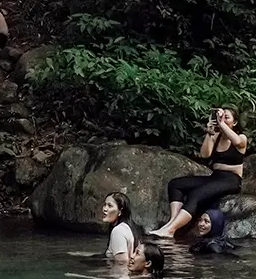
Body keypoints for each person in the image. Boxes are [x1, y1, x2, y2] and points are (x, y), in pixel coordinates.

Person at [150, 106, 246, 237]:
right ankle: (172, 223)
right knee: (175, 184)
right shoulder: (216, 136)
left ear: (234, 122)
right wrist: (209, 133)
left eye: (226, 117)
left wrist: (221, 123)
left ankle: (171, 229)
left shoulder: (241, 138)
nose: (222, 119)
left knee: (196, 194)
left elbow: (237, 142)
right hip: (215, 177)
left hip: (231, 179)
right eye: (220, 116)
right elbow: (204, 155)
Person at [101, 191, 141, 263]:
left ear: (120, 211)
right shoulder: (127, 227)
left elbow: (122, 263)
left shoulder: (118, 231)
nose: (105, 209)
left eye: (110, 206)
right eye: (105, 205)